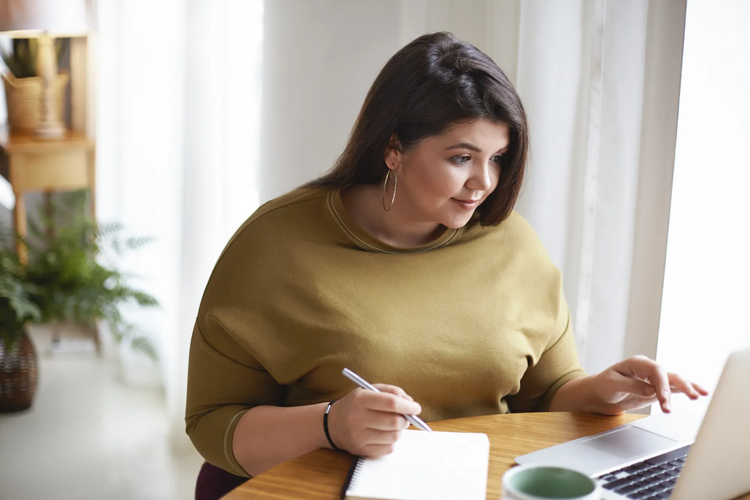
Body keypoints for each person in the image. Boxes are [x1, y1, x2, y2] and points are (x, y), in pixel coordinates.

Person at [185, 31, 707, 498]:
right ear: (394, 148)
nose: (485, 182)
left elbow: (546, 394)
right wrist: (329, 424)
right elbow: (212, 422)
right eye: (462, 157)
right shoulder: (274, 244)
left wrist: (605, 389)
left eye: (498, 158)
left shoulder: (512, 243)